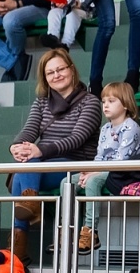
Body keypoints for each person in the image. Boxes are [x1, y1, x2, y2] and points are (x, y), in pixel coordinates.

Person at [9, 49, 100, 258]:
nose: (56, 75)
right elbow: (28, 130)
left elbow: (76, 138)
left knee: (25, 169)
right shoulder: (42, 102)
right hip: (43, 164)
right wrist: (16, 147)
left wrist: (39, 149)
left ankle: (18, 246)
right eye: (50, 73)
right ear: (45, 78)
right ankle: (28, 211)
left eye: (60, 69)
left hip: (76, 164)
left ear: (72, 70)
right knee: (25, 165)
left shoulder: (90, 102)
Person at [79, 81, 140, 199]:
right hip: (106, 170)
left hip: (125, 172)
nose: (105, 105)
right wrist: (90, 170)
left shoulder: (131, 127)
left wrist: (94, 173)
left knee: (92, 181)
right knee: (67, 181)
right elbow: (99, 156)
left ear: (125, 104)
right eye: (104, 101)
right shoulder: (105, 128)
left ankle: (91, 218)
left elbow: (121, 160)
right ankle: (68, 216)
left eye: (111, 101)